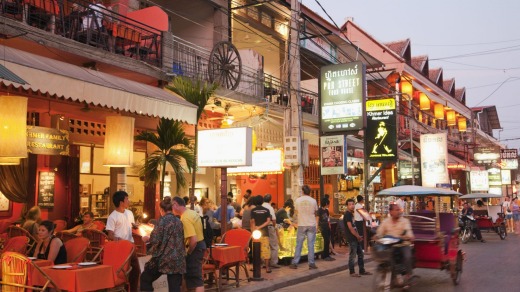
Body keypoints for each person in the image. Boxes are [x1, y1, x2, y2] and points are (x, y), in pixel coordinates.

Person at [140, 197, 186, 292]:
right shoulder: (179, 221)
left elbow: (155, 239)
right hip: (178, 259)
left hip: (163, 260)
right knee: (174, 287)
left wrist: (147, 239)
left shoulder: (161, 221)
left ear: (161, 210)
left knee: (145, 278)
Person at [172, 196, 205, 292]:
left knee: (196, 279)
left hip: (195, 247)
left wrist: (188, 252)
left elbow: (193, 240)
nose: (171, 209)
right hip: (201, 244)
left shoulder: (185, 218)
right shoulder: (192, 212)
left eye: (172, 205)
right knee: (190, 277)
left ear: (176, 205)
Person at [375, 204, 414, 281]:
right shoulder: (386, 221)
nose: (398, 212)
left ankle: (408, 275)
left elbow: (409, 232)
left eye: (399, 210)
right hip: (390, 245)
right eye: (396, 210)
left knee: (407, 256)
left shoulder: (405, 221)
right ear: (391, 212)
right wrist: (377, 237)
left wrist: (407, 237)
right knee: (385, 256)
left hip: (403, 244)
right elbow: (379, 232)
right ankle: (391, 273)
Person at [290, 185, 318, 270]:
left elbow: (296, 212)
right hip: (311, 224)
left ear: (302, 191)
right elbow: (316, 213)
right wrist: (316, 225)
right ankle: (311, 263)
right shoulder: (313, 201)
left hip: (301, 224)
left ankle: (295, 262)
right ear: (310, 192)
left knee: (299, 244)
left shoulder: (298, 200)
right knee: (311, 245)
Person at [344, 198, 371, 277]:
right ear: (347, 206)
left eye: (353, 204)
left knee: (360, 254)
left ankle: (362, 270)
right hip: (352, 237)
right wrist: (357, 236)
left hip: (355, 237)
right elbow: (350, 228)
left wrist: (358, 236)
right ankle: (352, 272)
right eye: (350, 204)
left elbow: (354, 226)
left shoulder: (351, 214)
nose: (352, 206)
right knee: (353, 255)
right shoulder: (347, 215)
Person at [250, 195, 273, 273]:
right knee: (266, 250)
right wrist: (260, 227)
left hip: (256, 233)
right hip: (265, 233)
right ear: (262, 201)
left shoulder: (253, 211)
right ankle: (267, 268)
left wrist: (254, 230)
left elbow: (252, 222)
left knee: (256, 250)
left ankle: (256, 267)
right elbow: (268, 221)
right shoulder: (266, 210)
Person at [262, 194, 281, 268]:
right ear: (270, 200)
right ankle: (273, 262)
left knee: (264, 245)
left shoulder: (261, 206)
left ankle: (264, 262)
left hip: (262, 228)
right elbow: (273, 219)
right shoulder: (270, 207)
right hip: (269, 227)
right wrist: (274, 226)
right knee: (274, 245)